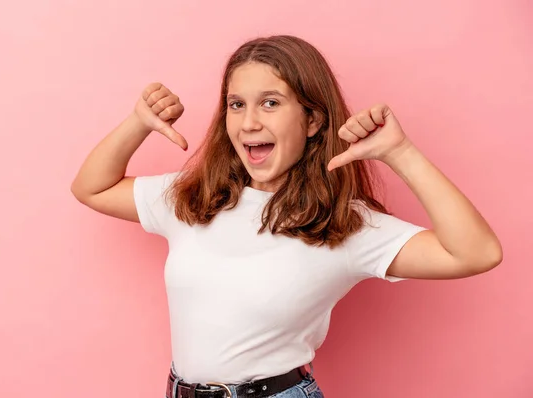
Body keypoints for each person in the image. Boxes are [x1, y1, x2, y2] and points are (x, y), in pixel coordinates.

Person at [70, 35, 502, 398]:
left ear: (312, 119)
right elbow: (92, 187)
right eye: (236, 104)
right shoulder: (195, 199)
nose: (249, 122)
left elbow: (475, 253)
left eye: (270, 103)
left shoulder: (343, 224)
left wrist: (400, 153)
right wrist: (138, 122)